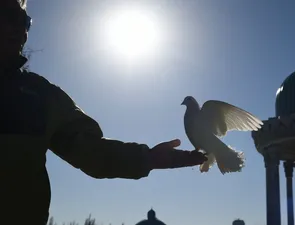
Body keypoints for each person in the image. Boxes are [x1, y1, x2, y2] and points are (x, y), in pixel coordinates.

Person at [0, 1, 207, 224]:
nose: (21, 30)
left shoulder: (41, 95)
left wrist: (149, 158)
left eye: (26, 22)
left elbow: (92, 151)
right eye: (11, 16)